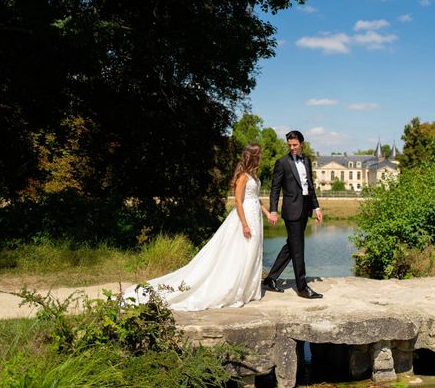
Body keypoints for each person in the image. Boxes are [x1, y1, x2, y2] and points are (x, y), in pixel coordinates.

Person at [124, 144, 272, 310]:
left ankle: (247, 290)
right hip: (245, 217)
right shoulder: (243, 176)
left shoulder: (253, 175)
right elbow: (238, 200)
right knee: (241, 252)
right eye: (259, 154)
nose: (261, 157)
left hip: (255, 216)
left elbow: (256, 199)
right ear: (253, 156)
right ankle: (235, 289)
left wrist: (267, 214)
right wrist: (244, 224)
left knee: (252, 252)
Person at [263, 130, 324, 299]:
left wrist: (316, 207)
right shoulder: (282, 162)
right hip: (291, 210)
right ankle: (302, 287)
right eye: (289, 145)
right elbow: (275, 188)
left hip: (305, 209)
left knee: (292, 245)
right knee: (298, 248)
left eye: (295, 145)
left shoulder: (306, 160)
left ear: (301, 144)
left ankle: (270, 278)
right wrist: (273, 210)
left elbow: (309, 186)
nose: (292, 148)